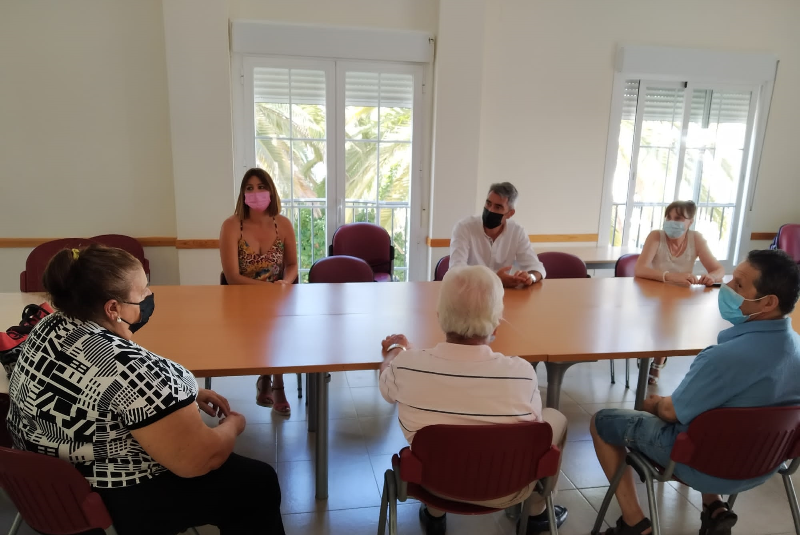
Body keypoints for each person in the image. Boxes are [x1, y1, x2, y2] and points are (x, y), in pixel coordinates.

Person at [7, 245, 284, 535]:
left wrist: (183, 393)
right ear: (113, 308)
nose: (150, 296)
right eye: (143, 292)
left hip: (49, 488)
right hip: (110, 496)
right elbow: (201, 459)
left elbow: (106, 389)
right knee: (257, 482)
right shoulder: (127, 367)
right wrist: (233, 426)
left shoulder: (48, 325)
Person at [591, 249, 800, 535]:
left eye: (738, 285)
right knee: (718, 413)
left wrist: (654, 404)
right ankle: (714, 506)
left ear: (767, 302)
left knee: (603, 421)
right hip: (764, 465)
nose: (726, 288)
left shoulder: (721, 358)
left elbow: (672, 411)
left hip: (701, 465)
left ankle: (633, 521)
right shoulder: (797, 351)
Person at [378, 265, 568, 535]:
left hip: (432, 484)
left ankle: (435, 513)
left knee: (438, 429)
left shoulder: (408, 366)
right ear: (497, 322)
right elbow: (531, 426)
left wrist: (396, 349)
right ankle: (536, 513)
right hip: (510, 488)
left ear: (439, 315)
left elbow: (385, 384)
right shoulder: (522, 373)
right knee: (554, 419)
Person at [219, 167, 299, 415]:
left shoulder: (283, 224)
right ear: (243, 194)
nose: (256, 193)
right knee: (266, 328)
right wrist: (269, 290)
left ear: (271, 192)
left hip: (278, 297)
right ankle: (272, 381)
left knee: (278, 327)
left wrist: (285, 283)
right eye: (250, 188)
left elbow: (293, 265)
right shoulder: (231, 226)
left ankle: (273, 382)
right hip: (242, 297)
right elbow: (232, 277)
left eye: (261, 187)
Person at [634, 200, 725, 384]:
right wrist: (670, 276)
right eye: (668, 217)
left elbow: (718, 269)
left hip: (681, 298)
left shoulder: (696, 239)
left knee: (672, 322)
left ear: (690, 222)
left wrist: (712, 278)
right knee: (662, 320)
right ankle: (653, 356)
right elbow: (640, 269)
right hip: (651, 294)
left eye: (678, 218)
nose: (671, 221)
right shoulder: (656, 236)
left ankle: (659, 358)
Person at [450, 182, 546, 288]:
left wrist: (530, 277)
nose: (490, 210)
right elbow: (456, 270)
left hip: (503, 294)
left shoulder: (517, 231)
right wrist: (496, 279)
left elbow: (537, 267)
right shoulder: (464, 227)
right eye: (488, 203)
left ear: (510, 213)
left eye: (498, 207)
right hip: (470, 290)